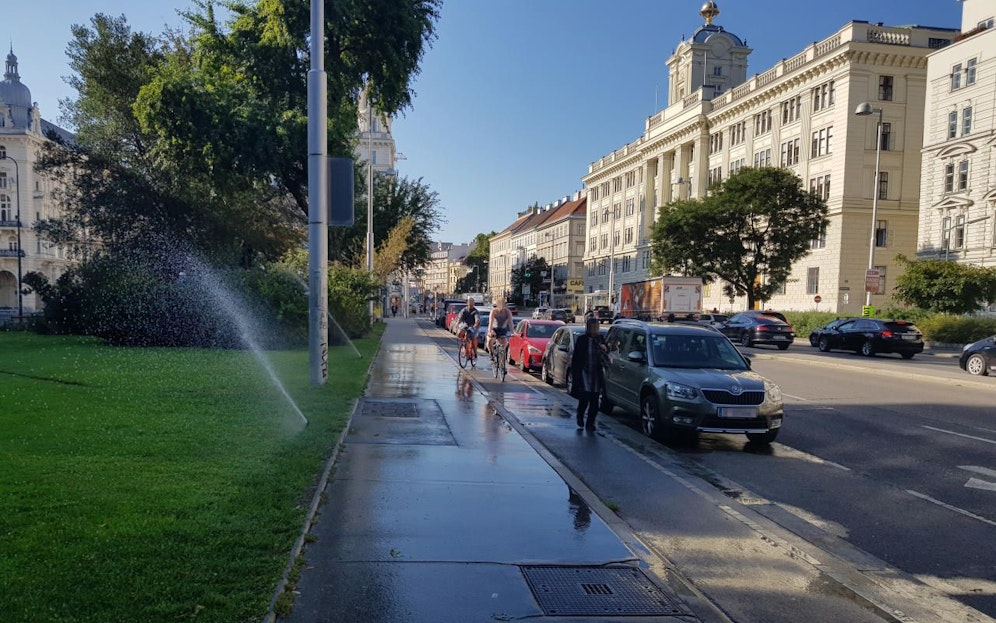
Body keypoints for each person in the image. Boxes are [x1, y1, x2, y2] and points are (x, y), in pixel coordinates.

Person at [570, 317, 607, 431]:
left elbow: (606, 352)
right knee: (585, 397)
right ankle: (580, 415)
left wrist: (605, 348)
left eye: (596, 327)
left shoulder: (600, 339)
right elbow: (576, 359)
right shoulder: (582, 340)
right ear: (588, 328)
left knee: (595, 400)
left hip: (596, 373)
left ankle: (590, 422)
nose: (595, 329)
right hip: (584, 372)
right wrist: (576, 375)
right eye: (592, 327)